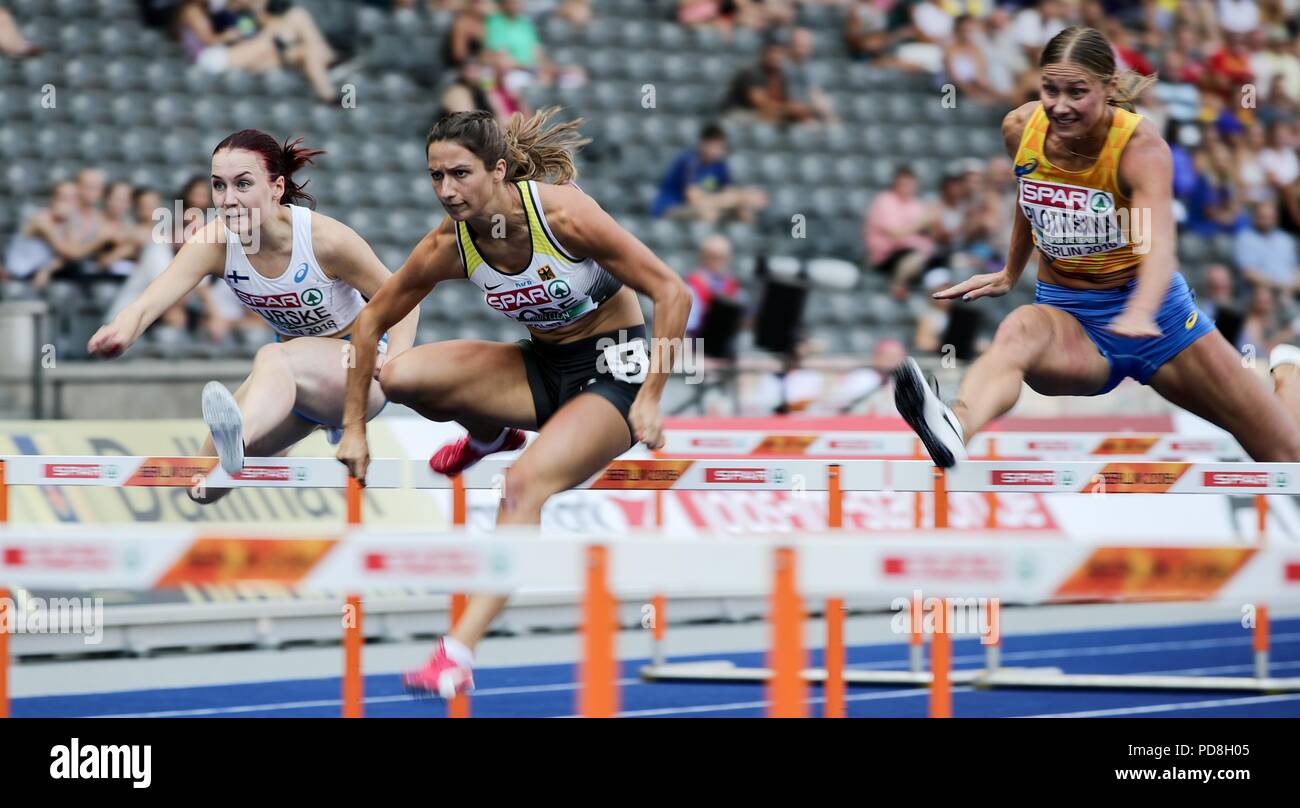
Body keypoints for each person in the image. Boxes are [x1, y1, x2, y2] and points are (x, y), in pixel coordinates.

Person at [334, 109, 691, 699]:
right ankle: (489, 435)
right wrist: (354, 427)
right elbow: (370, 321)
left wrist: (651, 396)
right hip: (539, 366)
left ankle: (457, 654)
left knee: (523, 488)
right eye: (434, 176)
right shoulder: (448, 244)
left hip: (612, 373)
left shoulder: (563, 216)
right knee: (399, 378)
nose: (447, 191)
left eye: (460, 174)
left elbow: (673, 290)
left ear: (498, 170)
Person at [892, 26, 1300, 469]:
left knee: (1286, 457)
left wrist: (1142, 310)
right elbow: (1032, 195)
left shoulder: (1140, 151)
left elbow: (1160, 246)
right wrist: (1011, 272)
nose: (1059, 106)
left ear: (1108, 88)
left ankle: (1288, 372)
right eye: (1050, 89)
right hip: (1071, 319)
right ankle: (956, 425)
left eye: (1077, 92)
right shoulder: (1019, 128)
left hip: (1159, 325)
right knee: (1017, 331)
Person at [87, 129, 419, 500]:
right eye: (219, 186)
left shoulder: (325, 240)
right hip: (295, 383)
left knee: (271, 358)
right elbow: (149, 302)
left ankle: (241, 439)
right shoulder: (214, 242)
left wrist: (395, 365)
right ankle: (249, 447)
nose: (228, 200)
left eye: (243, 184)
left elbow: (405, 298)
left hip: (357, 369)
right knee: (201, 484)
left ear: (277, 188)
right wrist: (119, 330)